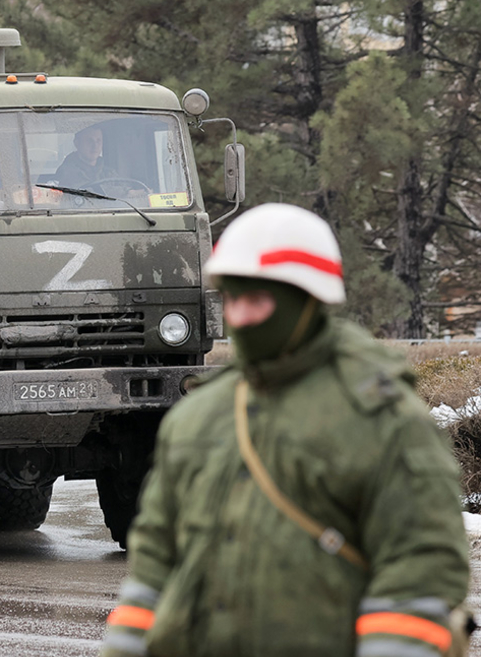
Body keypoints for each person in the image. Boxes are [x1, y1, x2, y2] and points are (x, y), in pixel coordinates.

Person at [100, 203, 470, 657]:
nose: (242, 317)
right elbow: (154, 566)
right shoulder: (198, 417)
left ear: (309, 300)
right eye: (233, 299)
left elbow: (419, 571)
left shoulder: (382, 418)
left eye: (258, 300)